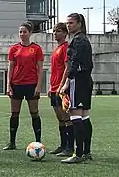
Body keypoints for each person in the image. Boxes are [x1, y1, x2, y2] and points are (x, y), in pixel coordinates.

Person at [3, 21, 44, 150]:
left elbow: (40, 69)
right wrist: (8, 85)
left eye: (24, 32)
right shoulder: (14, 49)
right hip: (16, 85)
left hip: (31, 84)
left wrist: (38, 87)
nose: (22, 34)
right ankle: (12, 142)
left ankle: (38, 142)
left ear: (30, 33)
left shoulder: (36, 49)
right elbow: (10, 67)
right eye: (20, 32)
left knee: (34, 113)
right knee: (15, 113)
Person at [60, 13, 93, 164]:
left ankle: (78, 154)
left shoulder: (78, 41)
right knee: (85, 116)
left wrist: (67, 82)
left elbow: (74, 64)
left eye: (71, 23)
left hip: (78, 80)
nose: (68, 26)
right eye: (67, 23)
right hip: (86, 80)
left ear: (79, 23)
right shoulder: (84, 40)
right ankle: (86, 152)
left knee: (75, 116)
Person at [48, 22, 74, 157]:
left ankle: (70, 147)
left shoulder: (65, 47)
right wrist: (50, 86)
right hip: (54, 88)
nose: (55, 34)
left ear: (65, 33)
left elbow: (67, 68)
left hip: (61, 89)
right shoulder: (57, 48)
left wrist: (61, 85)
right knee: (60, 118)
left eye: (58, 31)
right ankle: (63, 145)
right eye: (54, 31)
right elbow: (54, 70)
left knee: (66, 117)